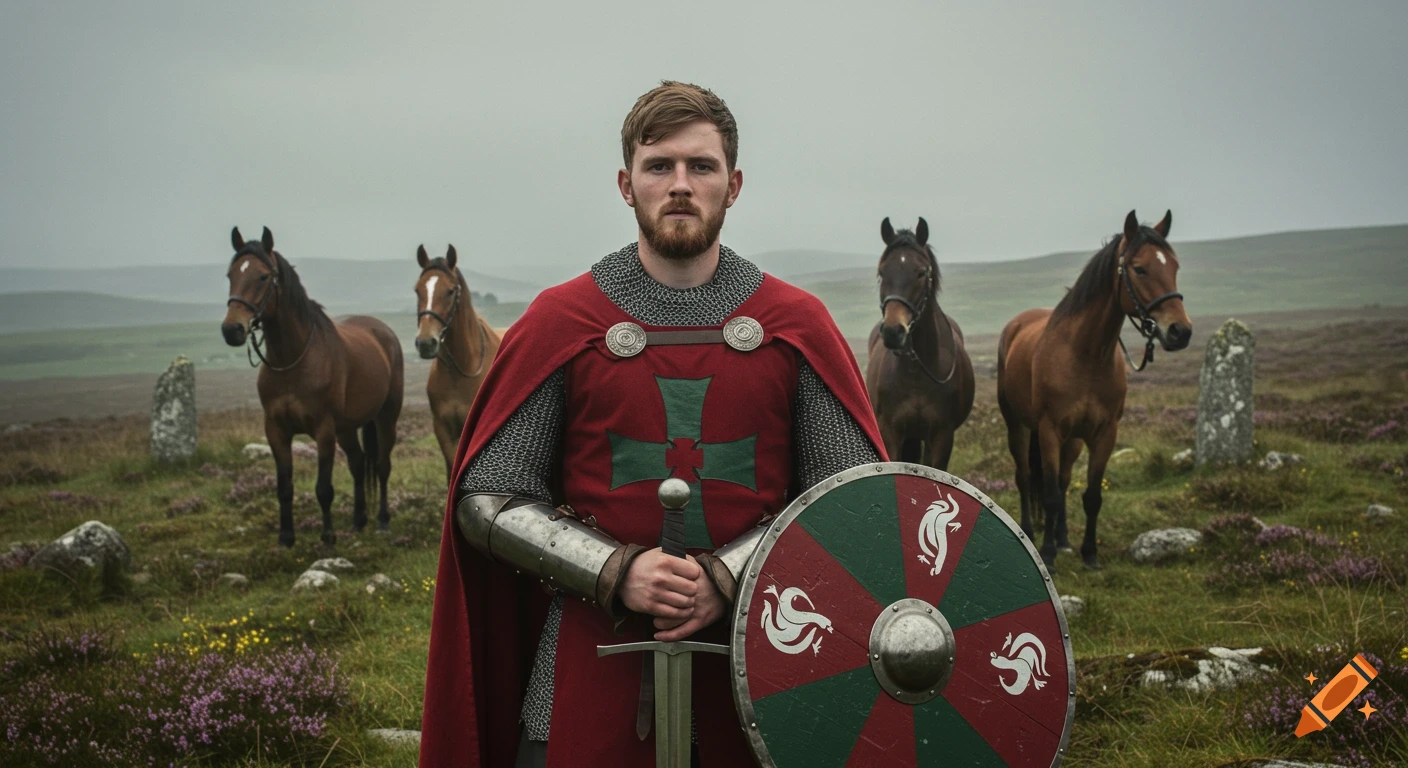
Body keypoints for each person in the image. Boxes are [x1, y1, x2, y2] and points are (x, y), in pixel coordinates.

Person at [419, 81, 887, 768]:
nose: (680, 184)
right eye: (659, 165)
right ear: (626, 184)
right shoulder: (562, 323)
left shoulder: (795, 325)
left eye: (702, 166)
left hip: (769, 663)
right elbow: (486, 497)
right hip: (589, 662)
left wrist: (727, 576)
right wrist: (616, 570)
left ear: (733, 185)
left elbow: (853, 499)